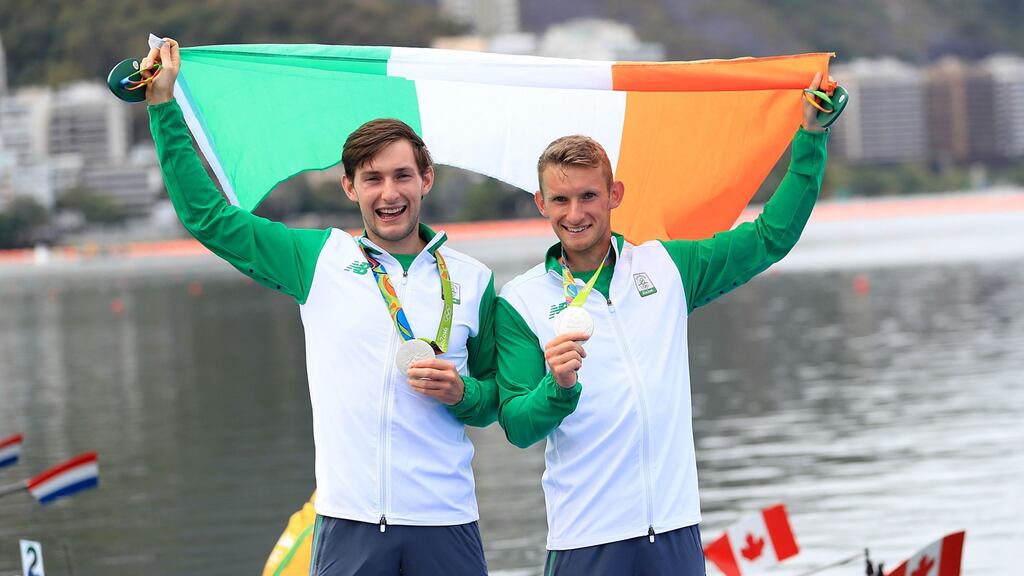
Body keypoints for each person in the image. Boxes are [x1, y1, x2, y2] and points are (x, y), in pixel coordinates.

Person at [142, 38, 497, 576]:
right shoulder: (319, 260)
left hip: (446, 522)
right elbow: (208, 218)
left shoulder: (475, 280)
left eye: (402, 175)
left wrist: (462, 391)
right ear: (349, 187)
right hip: (349, 523)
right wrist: (162, 107)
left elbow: (497, 401)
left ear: (426, 179)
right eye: (372, 179)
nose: (389, 193)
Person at [495, 73, 830, 575]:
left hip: (674, 532)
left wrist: (811, 138)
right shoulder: (520, 301)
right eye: (560, 200)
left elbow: (769, 238)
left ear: (614, 194)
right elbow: (518, 426)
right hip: (588, 539)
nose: (575, 212)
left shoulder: (666, 268)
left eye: (589, 196)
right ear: (542, 204)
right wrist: (558, 387)